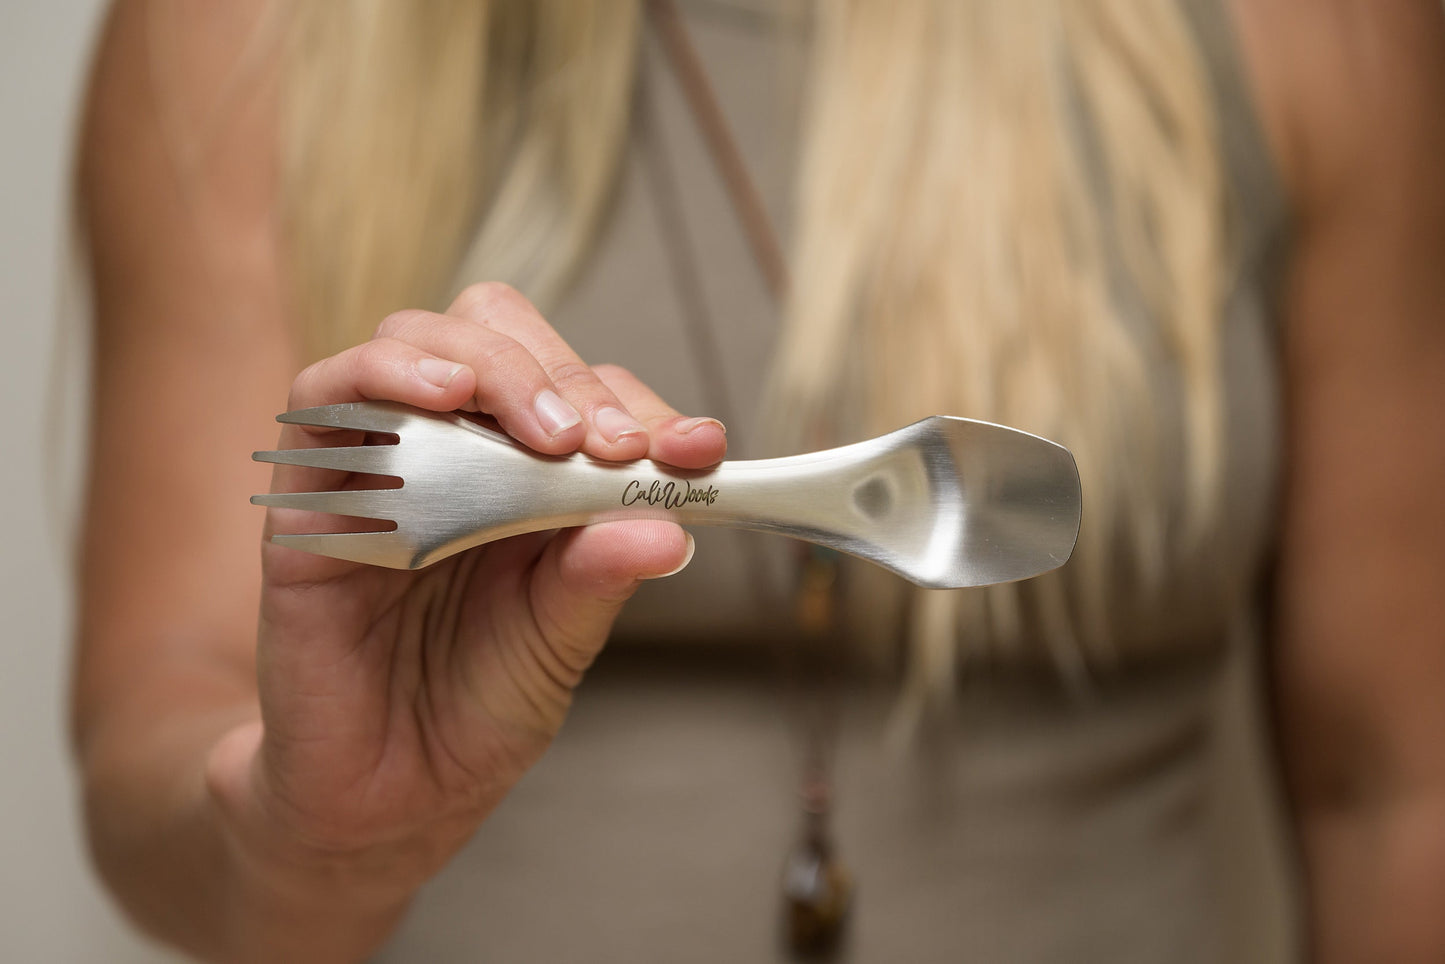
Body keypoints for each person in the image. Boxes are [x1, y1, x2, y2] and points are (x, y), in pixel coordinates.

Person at [71, 0, 1445, 961]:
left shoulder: (1315, 31)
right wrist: (316, 843)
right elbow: (156, 743)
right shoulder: (242, 30)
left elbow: (1398, 788)